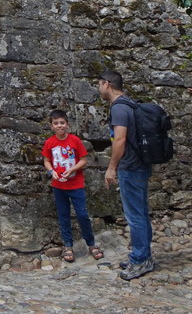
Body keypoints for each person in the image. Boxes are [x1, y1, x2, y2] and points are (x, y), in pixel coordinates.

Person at [99, 70, 154, 280]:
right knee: (140, 213)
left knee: (135, 216)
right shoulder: (130, 104)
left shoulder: (119, 108)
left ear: (107, 84)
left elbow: (120, 140)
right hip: (140, 164)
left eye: (99, 84)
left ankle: (140, 260)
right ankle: (142, 256)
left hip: (130, 167)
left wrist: (112, 167)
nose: (99, 89)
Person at [42, 108, 103, 263]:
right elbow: (47, 161)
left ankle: (91, 243)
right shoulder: (50, 143)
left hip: (76, 185)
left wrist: (72, 169)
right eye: (56, 123)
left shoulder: (75, 141)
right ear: (51, 126)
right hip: (59, 186)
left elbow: (84, 160)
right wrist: (52, 171)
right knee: (63, 216)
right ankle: (68, 245)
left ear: (67, 124)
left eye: (62, 122)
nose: (59, 126)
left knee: (82, 215)